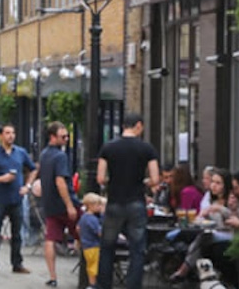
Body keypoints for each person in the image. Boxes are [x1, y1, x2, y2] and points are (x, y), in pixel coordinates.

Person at [96, 113, 159, 289]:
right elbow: (155, 178)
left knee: (107, 246)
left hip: (114, 202)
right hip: (136, 203)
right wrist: (144, 182)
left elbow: (101, 178)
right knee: (137, 250)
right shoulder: (147, 149)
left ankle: (103, 285)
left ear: (123, 126)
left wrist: (114, 180)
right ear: (138, 125)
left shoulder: (108, 147)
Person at [0, 123, 37, 275]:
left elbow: (33, 169)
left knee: (17, 234)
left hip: (16, 199)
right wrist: (2, 179)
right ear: (1, 136)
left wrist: (28, 186)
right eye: (7, 133)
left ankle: (17, 263)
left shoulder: (20, 153)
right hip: (0, 199)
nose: (11, 136)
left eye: (13, 133)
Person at [168, 168, 236, 282]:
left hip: (230, 233)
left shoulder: (231, 198)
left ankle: (184, 269)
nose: (213, 186)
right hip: (215, 232)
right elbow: (202, 215)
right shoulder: (209, 197)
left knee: (204, 237)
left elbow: (234, 218)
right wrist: (201, 217)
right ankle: (187, 271)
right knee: (201, 236)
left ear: (226, 185)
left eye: (218, 183)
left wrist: (221, 209)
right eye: (212, 182)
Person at [40, 121, 82, 287]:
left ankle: (53, 277)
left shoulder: (44, 154)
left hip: (50, 205)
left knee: (51, 238)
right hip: (64, 204)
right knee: (85, 234)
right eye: (62, 136)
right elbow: (60, 181)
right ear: (52, 137)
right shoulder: (60, 156)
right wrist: (69, 204)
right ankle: (91, 271)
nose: (66, 139)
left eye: (67, 136)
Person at [78, 193, 105, 289]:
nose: (100, 207)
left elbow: (78, 228)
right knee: (95, 266)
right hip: (94, 245)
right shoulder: (92, 219)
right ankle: (93, 285)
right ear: (91, 205)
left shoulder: (84, 217)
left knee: (90, 266)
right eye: (98, 205)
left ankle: (91, 284)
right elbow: (100, 232)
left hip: (86, 245)